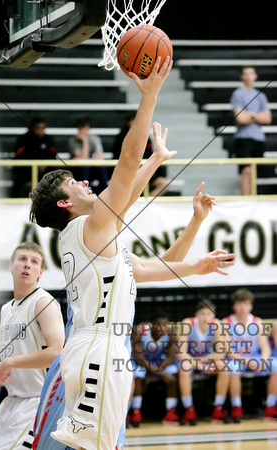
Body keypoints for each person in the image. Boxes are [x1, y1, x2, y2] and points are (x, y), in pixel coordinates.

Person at [29, 56, 235, 450]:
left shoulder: (99, 237)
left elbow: (151, 267)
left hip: (99, 350)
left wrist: (197, 249)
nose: (86, 181)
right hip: (98, 350)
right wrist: (149, 98)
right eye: (74, 182)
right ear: (63, 204)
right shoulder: (90, 227)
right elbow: (124, 171)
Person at [0, 242, 65, 450]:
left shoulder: (44, 303)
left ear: (41, 272)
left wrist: (8, 362)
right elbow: (16, 353)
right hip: (11, 401)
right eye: (22, 259)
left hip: (38, 401)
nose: (27, 265)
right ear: (11, 266)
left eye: (34, 262)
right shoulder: (6, 309)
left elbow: (57, 353)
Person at [223, 288, 277, 423]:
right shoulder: (226, 322)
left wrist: (263, 360)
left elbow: (265, 347)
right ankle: (236, 407)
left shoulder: (257, 322)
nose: (242, 307)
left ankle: (270, 407)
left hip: (255, 357)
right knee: (233, 368)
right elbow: (228, 351)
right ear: (234, 305)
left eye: (245, 303)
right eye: (239, 303)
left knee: (275, 365)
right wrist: (247, 362)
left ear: (250, 306)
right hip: (236, 358)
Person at [177, 299, 230, 425]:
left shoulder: (216, 325)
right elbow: (181, 354)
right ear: (197, 314)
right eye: (203, 314)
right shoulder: (187, 324)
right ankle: (189, 409)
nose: (206, 317)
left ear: (214, 315)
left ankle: (218, 408)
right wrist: (199, 365)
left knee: (223, 366)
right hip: (189, 359)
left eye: (209, 314)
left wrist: (203, 362)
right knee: (184, 368)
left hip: (206, 359)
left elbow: (220, 353)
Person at [130, 310, 179, 427]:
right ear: (152, 324)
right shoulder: (139, 331)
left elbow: (171, 358)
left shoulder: (171, 332)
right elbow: (139, 358)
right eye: (159, 325)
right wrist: (159, 373)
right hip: (141, 363)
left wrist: (157, 372)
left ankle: (171, 412)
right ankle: (135, 413)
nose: (162, 328)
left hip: (160, 364)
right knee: (138, 375)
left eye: (164, 325)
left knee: (172, 374)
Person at [230, 66, 272, 195]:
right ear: (242, 77)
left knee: (254, 172)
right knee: (246, 171)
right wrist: (257, 116)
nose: (248, 76)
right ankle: (246, 200)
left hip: (258, 138)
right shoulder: (238, 94)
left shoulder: (261, 96)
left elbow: (268, 118)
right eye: (246, 74)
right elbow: (241, 118)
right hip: (243, 138)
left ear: (255, 76)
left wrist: (250, 115)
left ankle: (252, 199)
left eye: (251, 73)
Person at [111, 110, 172, 196]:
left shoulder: (146, 137)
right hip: (127, 175)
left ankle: (147, 202)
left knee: (164, 183)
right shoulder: (121, 137)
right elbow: (119, 156)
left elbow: (151, 155)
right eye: (134, 121)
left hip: (146, 174)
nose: (137, 123)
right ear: (128, 122)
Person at [12, 117, 58, 197]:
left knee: (56, 172)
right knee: (18, 172)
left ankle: (53, 198)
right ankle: (16, 198)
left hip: (44, 170)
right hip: (27, 169)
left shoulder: (48, 139)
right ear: (32, 128)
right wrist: (32, 165)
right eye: (38, 128)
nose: (40, 131)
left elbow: (54, 155)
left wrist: (45, 164)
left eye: (43, 128)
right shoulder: (24, 139)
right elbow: (18, 155)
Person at [67, 117, 109, 194]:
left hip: (92, 167)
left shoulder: (95, 139)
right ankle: (85, 192)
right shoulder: (72, 140)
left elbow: (100, 157)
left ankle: (105, 191)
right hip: (77, 169)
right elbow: (83, 158)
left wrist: (87, 160)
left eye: (85, 128)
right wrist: (85, 141)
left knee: (101, 167)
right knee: (85, 167)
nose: (83, 131)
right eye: (81, 128)